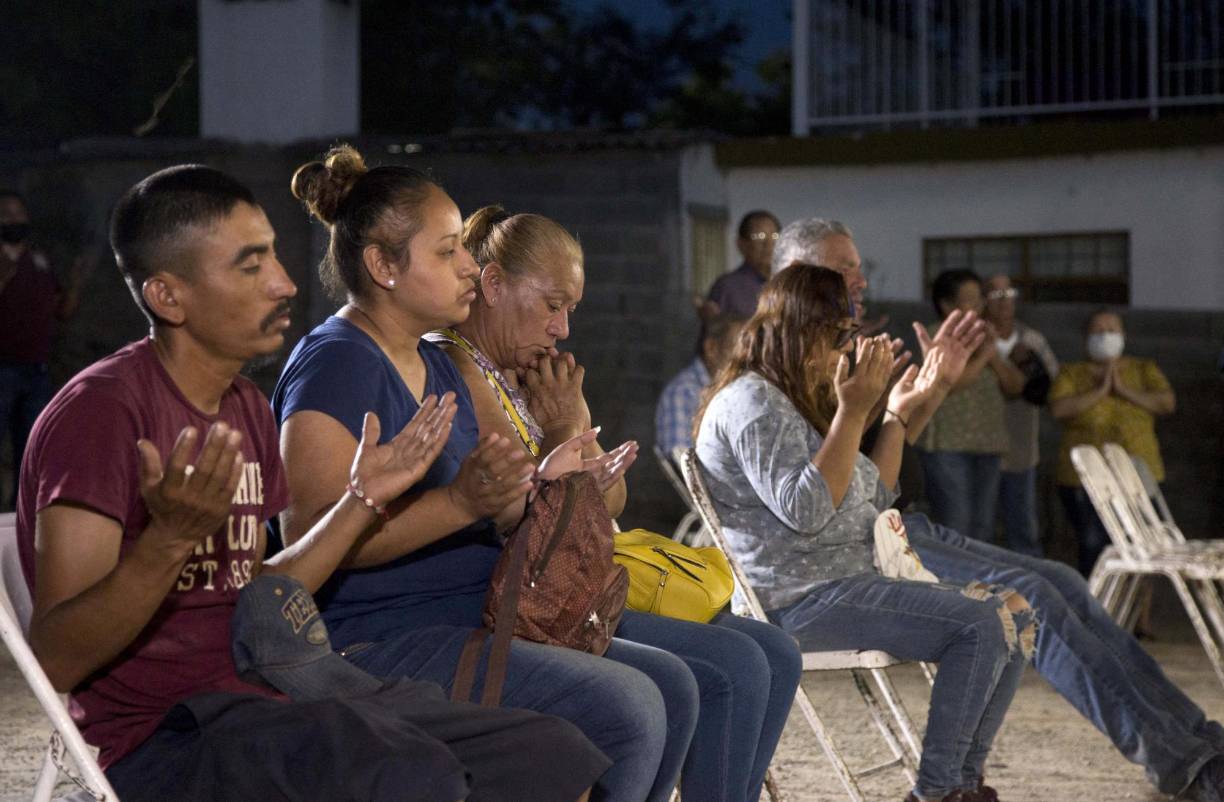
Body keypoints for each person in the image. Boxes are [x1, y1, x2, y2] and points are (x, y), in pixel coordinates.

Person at [15, 165, 608, 802]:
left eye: (272, 254)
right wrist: (169, 543)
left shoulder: (241, 402)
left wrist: (362, 501)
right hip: (164, 734)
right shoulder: (104, 413)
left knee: (549, 752)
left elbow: (265, 592)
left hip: (271, 683)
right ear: (168, 296)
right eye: (250, 266)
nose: (284, 283)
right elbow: (56, 659)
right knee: (412, 772)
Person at [273, 145, 698, 802]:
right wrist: (467, 502)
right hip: (378, 638)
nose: (469, 266)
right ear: (384, 266)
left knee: (672, 686)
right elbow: (307, 541)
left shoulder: (430, 364)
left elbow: (482, 504)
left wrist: (540, 482)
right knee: (632, 707)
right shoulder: (339, 362)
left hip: (471, 613)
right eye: (447, 252)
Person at [774, 216, 1224, 802]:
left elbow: (881, 462)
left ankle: (1199, 742)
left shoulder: (846, 350)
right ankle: (1189, 767)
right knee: (1030, 596)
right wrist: (901, 405)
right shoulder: (785, 371)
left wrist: (931, 390)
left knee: (1059, 577)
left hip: (893, 522)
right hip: (861, 544)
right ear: (795, 278)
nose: (859, 279)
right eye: (844, 267)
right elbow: (832, 499)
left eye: (858, 265)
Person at [433, 204, 802, 802]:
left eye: (570, 309)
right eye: (553, 305)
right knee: (726, 668)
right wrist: (560, 440)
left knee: (775, 654)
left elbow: (611, 503)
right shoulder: (457, 363)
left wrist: (572, 431)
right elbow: (512, 511)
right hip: (523, 598)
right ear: (494, 285)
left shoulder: (527, 370)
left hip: (568, 582)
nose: (563, 329)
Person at [695, 264, 1031, 802]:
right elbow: (805, 510)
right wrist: (853, 410)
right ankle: (937, 792)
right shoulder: (752, 402)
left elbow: (872, 497)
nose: (841, 356)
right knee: (981, 623)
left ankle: (963, 784)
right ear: (802, 334)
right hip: (793, 600)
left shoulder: (791, 398)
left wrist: (894, 415)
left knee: (1016, 610)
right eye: (837, 339)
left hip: (843, 580)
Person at [1050, 308, 1176, 575]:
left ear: (1123, 335)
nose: (1105, 336)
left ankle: (1138, 617)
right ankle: (1095, 608)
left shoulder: (1144, 369)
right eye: (1097, 331)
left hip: (1139, 474)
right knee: (1093, 544)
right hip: (1082, 480)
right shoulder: (1071, 373)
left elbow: (1166, 403)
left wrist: (1123, 390)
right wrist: (1101, 391)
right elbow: (1059, 409)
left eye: (1111, 330)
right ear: (1085, 337)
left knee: (1141, 548)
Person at [915, 269, 1026, 545]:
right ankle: (953, 587)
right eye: (970, 300)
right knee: (956, 524)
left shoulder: (985, 337)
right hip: (947, 447)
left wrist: (992, 355)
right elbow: (944, 385)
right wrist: (982, 358)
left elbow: (1016, 387)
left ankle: (980, 586)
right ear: (947, 305)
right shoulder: (933, 337)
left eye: (980, 300)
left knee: (984, 527)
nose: (979, 307)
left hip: (989, 445)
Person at [0, 190, 86, 508]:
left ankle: (16, 515)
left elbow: (61, 310)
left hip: (36, 370)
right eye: (6, 215)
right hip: (3, 369)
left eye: (19, 214)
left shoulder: (39, 259)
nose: (15, 221)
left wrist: (76, 282)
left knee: (30, 450)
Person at [982, 274, 1059, 557]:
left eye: (1009, 292)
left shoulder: (1031, 340)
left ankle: (1031, 593)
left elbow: (1051, 387)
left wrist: (1028, 367)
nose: (1004, 301)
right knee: (981, 532)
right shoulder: (975, 338)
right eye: (995, 294)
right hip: (977, 448)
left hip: (1020, 450)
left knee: (1023, 531)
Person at [655, 312, 745, 456]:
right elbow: (681, 464)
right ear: (711, 348)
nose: (745, 360)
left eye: (749, 351)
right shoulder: (683, 393)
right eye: (737, 351)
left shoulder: (739, 391)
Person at [703, 210, 780, 318]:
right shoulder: (727, 287)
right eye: (759, 236)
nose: (769, 244)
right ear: (741, 244)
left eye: (775, 236)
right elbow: (713, 332)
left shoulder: (787, 285)